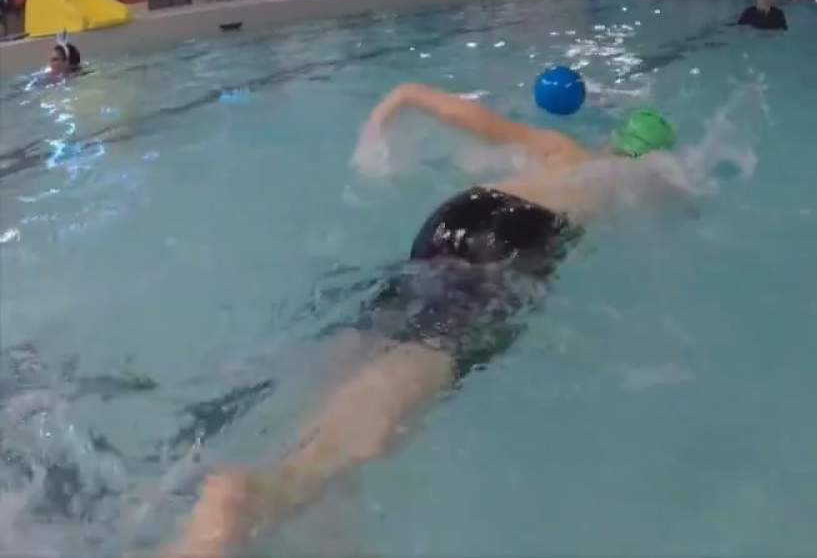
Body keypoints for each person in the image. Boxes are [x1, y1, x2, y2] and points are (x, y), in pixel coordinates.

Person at [157, 84, 683, 558]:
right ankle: (269, 493)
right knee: (424, 362)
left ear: (613, 139)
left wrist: (400, 98)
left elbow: (464, 115)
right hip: (516, 241)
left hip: (458, 218)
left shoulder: (557, 148)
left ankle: (330, 514)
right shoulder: (625, 183)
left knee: (370, 346)